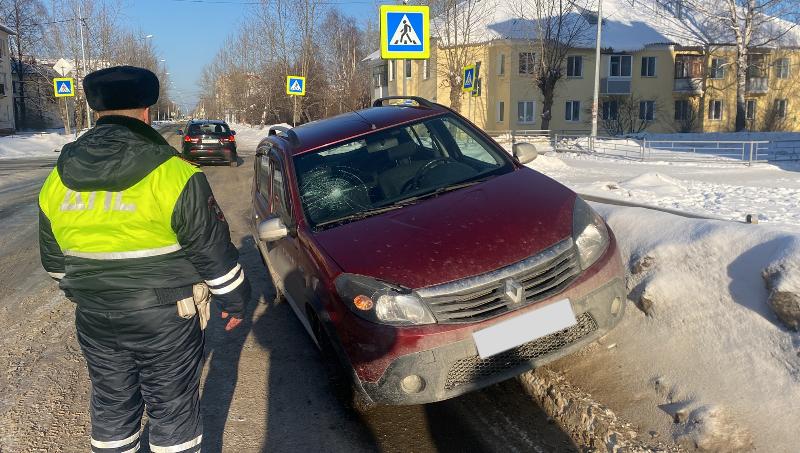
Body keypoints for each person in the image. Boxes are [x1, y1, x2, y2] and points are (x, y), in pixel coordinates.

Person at [38, 65, 250, 453]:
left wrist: (97, 291)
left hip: (95, 316)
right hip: (165, 317)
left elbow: (54, 263)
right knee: (172, 409)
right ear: (147, 111)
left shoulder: (59, 176)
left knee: (111, 406)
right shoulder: (174, 172)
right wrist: (235, 300)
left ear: (96, 111)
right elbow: (212, 251)